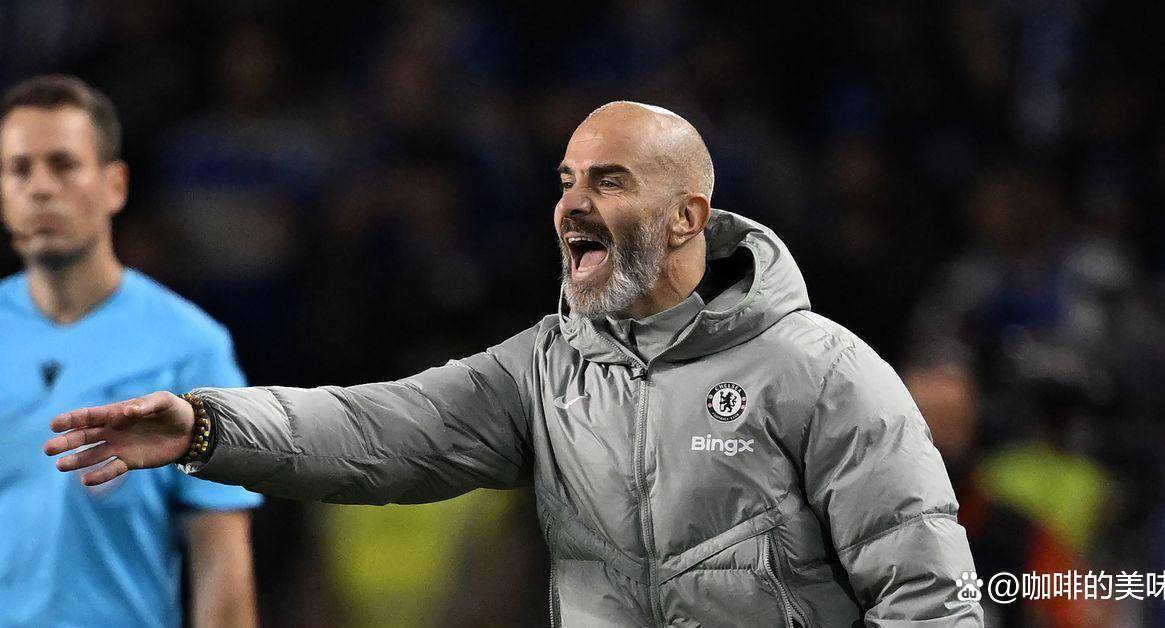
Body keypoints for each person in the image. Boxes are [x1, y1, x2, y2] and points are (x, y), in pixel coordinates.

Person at [46, 101, 984, 627]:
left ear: (687, 217)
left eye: (608, 181)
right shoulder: (546, 370)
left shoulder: (825, 373)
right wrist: (208, 426)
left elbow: (931, 597)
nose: (571, 204)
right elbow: (379, 429)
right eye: (566, 181)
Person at [0, 74, 261, 628]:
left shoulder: (190, 346)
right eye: (19, 169)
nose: (40, 188)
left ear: (114, 185)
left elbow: (220, 552)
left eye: (63, 165)